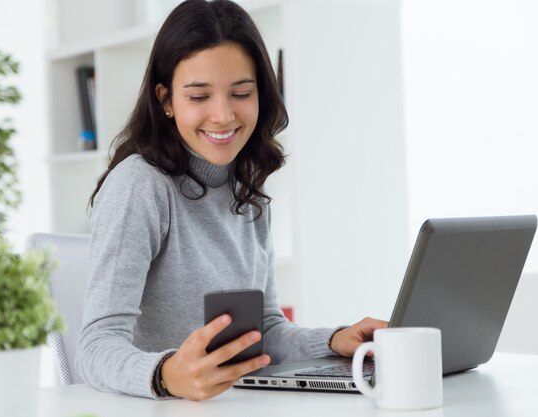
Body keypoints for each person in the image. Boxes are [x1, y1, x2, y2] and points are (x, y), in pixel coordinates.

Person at [76, 0, 387, 401]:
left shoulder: (247, 187)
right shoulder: (140, 186)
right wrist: (166, 375)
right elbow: (96, 346)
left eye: (241, 92)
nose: (223, 116)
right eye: (199, 96)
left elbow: (265, 331)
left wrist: (335, 340)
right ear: (166, 100)